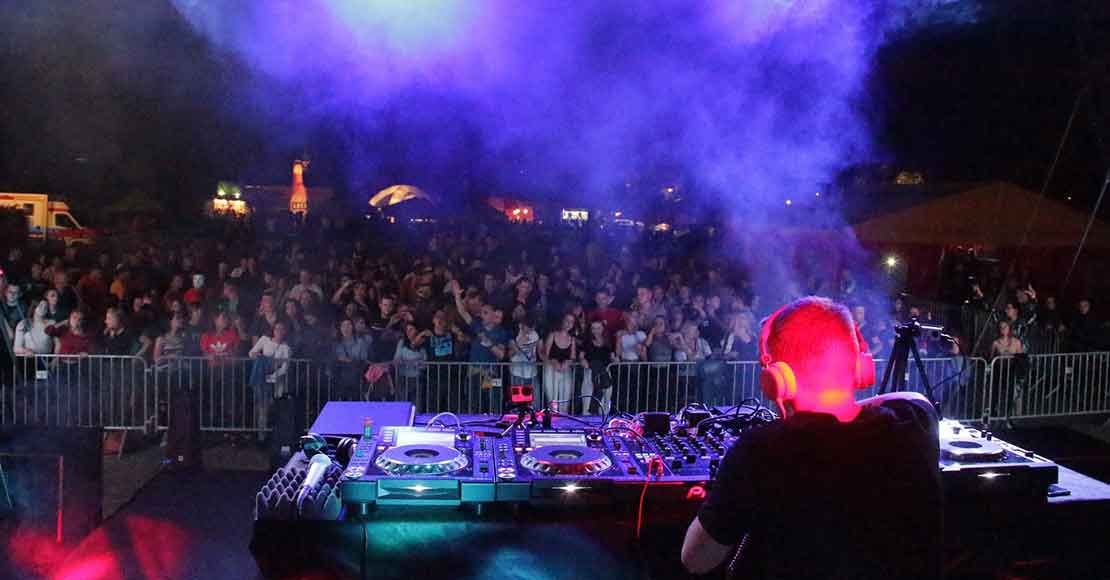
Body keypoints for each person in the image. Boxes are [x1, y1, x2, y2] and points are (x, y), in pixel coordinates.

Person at [682, 296, 941, 579]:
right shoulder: (913, 425)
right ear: (860, 367)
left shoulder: (761, 450)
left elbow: (696, 559)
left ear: (778, 379)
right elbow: (913, 398)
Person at [541, 313, 576, 412]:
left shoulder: (572, 339)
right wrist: (553, 361)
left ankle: (563, 419)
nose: (569, 324)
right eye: (567, 321)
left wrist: (567, 362)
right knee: (552, 400)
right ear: (562, 321)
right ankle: (552, 419)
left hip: (565, 371)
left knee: (565, 401)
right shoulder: (553, 335)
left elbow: (573, 357)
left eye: (571, 322)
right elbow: (545, 354)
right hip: (551, 370)